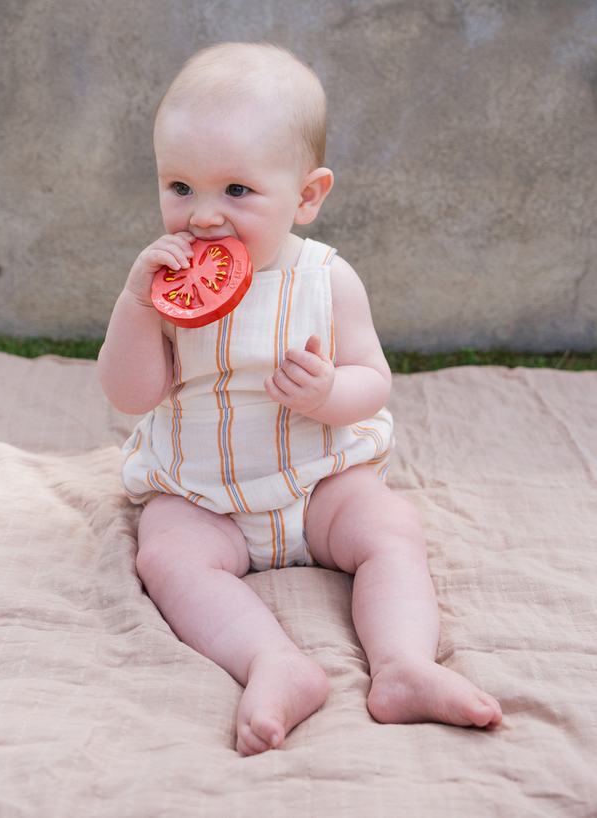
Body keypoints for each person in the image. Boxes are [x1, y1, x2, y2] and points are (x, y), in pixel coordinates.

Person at [97, 42, 503, 756]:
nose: (201, 217)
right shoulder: (163, 286)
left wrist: (326, 392)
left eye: (237, 191)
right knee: (165, 557)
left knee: (389, 528)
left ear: (307, 196)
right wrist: (135, 306)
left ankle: (402, 665)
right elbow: (131, 394)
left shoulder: (325, 280)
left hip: (317, 487)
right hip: (203, 494)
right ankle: (273, 663)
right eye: (179, 188)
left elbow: (372, 379)